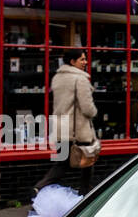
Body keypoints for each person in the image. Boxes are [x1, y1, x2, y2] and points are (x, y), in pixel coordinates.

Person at [35, 48, 99, 195]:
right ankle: (85, 194)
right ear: (72, 62)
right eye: (82, 59)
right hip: (78, 131)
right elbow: (87, 108)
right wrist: (94, 113)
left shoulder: (57, 78)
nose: (85, 62)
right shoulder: (80, 79)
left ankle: (39, 187)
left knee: (61, 164)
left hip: (60, 128)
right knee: (88, 162)